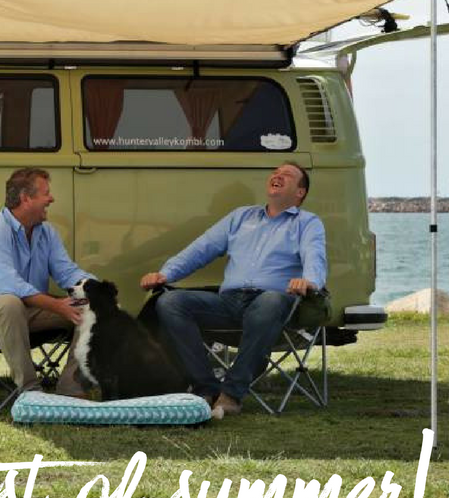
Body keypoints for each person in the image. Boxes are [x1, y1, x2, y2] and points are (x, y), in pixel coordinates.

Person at [139, 162, 327, 417]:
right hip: (229, 303)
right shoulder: (241, 217)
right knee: (170, 302)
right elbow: (201, 249)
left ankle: (232, 393)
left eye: (288, 175)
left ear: (300, 192)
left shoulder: (307, 223)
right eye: (275, 172)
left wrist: (309, 281)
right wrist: (165, 274)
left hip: (272, 306)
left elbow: (315, 255)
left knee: (270, 301)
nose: (278, 176)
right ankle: (205, 388)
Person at [0, 167, 92, 396]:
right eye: (46, 193)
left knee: (92, 309)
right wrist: (57, 305)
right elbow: (10, 286)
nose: (51, 199)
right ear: (26, 198)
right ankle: (31, 392)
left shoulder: (47, 232)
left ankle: (71, 390)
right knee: (9, 302)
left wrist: (98, 289)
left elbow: (66, 272)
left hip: (30, 311)